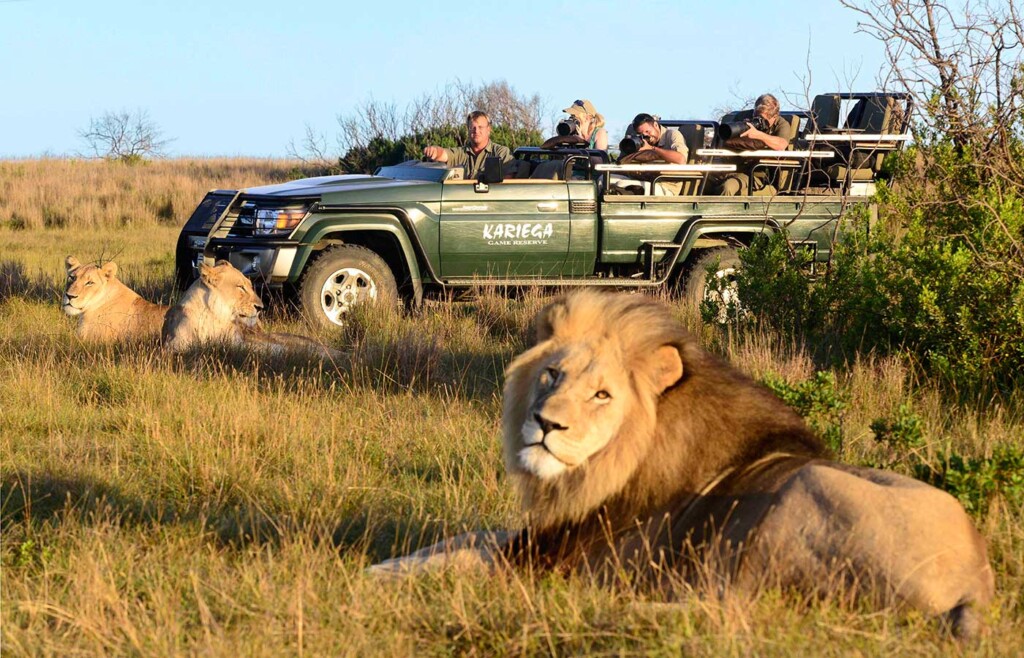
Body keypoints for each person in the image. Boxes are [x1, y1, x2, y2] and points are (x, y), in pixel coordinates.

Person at [717, 93, 794, 196]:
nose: (758, 121)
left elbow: (781, 145)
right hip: (729, 166)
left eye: (763, 120)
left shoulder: (782, 124)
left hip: (754, 172)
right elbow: (726, 139)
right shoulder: (743, 117)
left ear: (774, 116)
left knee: (728, 187)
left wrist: (758, 135)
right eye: (756, 116)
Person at [423, 111, 513, 180]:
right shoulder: (461, 153)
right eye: (472, 128)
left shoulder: (501, 152)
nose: (476, 131)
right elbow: (444, 154)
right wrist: (434, 151)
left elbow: (509, 180)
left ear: (488, 129)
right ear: (468, 130)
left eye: (480, 127)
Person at [628, 113, 688, 195]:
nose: (646, 136)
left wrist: (652, 149)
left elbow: (681, 159)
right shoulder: (640, 141)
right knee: (608, 181)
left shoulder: (672, 135)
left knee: (629, 190)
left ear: (655, 125)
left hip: (664, 184)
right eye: (641, 134)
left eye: (647, 131)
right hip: (641, 179)